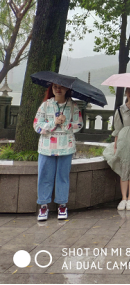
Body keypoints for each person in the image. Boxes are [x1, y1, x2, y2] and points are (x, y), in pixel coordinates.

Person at [33, 83, 83, 221]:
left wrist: (66, 123)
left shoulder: (73, 106)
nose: (58, 89)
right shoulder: (45, 105)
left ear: (67, 88)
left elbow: (79, 124)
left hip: (66, 147)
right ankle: (43, 205)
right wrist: (53, 123)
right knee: (45, 176)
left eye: (61, 87)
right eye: (55, 87)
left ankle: (62, 205)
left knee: (63, 177)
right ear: (51, 89)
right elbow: (37, 125)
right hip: (46, 148)